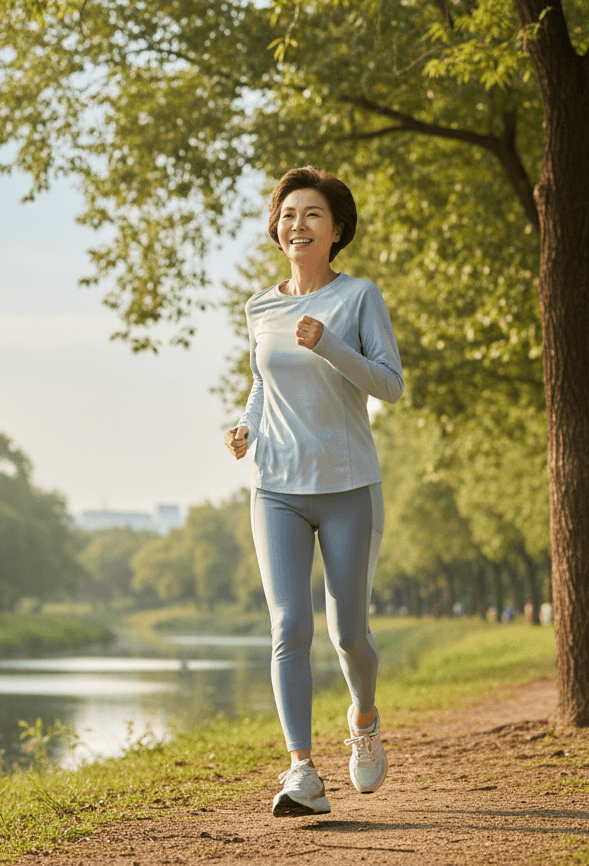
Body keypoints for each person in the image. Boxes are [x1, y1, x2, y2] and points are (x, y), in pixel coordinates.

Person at [224, 166, 404, 817]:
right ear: (277, 229)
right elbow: (261, 382)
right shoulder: (260, 307)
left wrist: (329, 345)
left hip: (347, 484)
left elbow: (389, 385)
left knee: (348, 634)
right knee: (289, 626)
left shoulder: (359, 298)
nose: (297, 224)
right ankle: (302, 771)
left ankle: (364, 719)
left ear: (336, 230)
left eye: (312, 215)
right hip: (275, 486)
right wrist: (246, 425)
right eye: (288, 214)